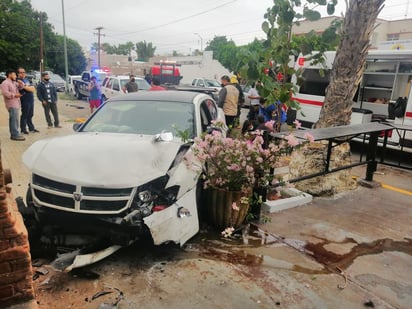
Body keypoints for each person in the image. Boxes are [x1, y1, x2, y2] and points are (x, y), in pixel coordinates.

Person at [0, 69, 25, 141]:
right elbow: (5, 93)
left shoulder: (14, 82)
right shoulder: (5, 83)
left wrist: (21, 83)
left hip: (16, 103)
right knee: (13, 120)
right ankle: (14, 135)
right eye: (14, 75)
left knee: (16, 119)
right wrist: (15, 95)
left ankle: (16, 133)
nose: (15, 76)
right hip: (11, 104)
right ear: (9, 74)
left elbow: (21, 87)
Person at [17, 67, 39, 134]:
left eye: (24, 72)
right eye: (21, 72)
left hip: (30, 99)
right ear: (18, 73)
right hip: (24, 99)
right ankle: (23, 129)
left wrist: (27, 87)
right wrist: (28, 88)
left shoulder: (26, 80)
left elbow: (33, 89)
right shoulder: (18, 80)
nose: (23, 73)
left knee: (30, 114)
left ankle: (31, 128)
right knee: (25, 115)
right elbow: (28, 89)